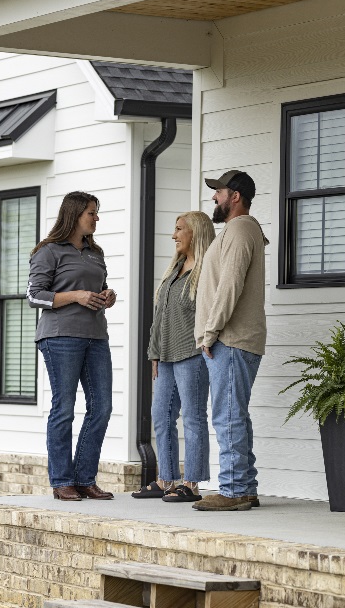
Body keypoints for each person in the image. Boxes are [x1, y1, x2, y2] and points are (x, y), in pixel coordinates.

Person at [27, 191, 117, 501]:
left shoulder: (96, 252)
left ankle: (85, 479)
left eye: (96, 212)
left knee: (102, 407)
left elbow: (98, 289)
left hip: (95, 336)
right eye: (91, 213)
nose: (96, 218)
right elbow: (34, 296)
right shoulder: (49, 251)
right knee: (64, 408)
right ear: (75, 214)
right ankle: (62, 480)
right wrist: (75, 296)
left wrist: (107, 296)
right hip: (60, 336)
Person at [192, 170, 268, 511]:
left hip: (230, 339)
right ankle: (245, 487)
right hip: (232, 340)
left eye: (219, 192)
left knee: (226, 415)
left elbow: (230, 286)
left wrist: (210, 332)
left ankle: (234, 490)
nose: (213, 198)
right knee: (234, 414)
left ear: (235, 196)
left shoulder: (240, 228)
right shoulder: (239, 231)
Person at [132, 211, 216, 503]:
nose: (174, 235)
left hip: (193, 353)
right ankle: (166, 479)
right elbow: (160, 316)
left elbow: (212, 313)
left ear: (196, 233)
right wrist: (154, 352)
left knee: (193, 418)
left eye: (180, 229)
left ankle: (191, 484)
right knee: (161, 415)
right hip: (165, 355)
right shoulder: (175, 269)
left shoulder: (206, 271)